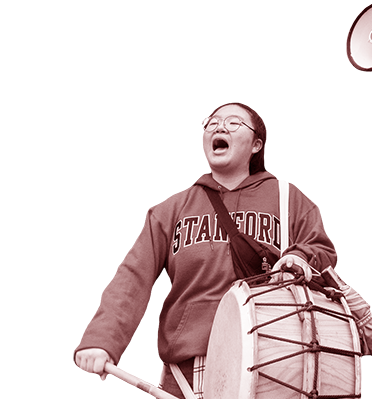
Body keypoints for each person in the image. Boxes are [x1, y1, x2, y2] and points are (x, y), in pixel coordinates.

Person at [74, 103, 337, 399]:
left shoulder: (288, 199)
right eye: (212, 122)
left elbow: (321, 248)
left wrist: (298, 257)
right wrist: (101, 340)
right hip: (188, 366)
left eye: (234, 123)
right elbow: (133, 276)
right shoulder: (171, 210)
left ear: (256, 145)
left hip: (276, 356)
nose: (219, 127)